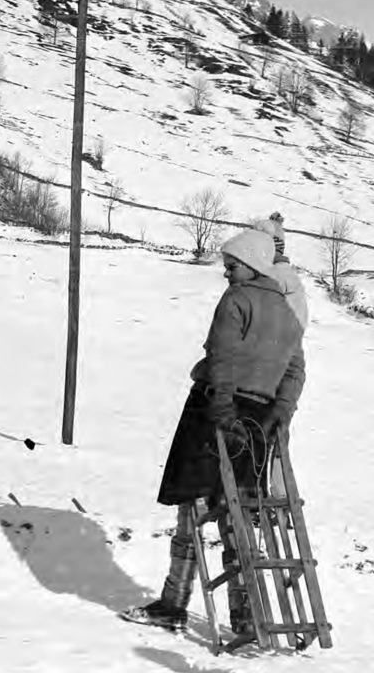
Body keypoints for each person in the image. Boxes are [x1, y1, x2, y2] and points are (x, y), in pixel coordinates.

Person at [123, 227, 308, 641]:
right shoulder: (288, 312)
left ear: (253, 265)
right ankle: (245, 616)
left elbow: (222, 357)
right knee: (236, 515)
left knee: (192, 505)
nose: (226, 273)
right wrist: (280, 413)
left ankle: (173, 604)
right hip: (258, 422)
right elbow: (295, 372)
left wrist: (221, 406)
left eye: (232, 265)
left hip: (216, 412)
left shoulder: (237, 300)